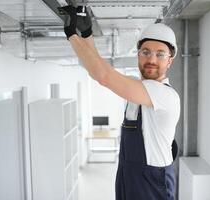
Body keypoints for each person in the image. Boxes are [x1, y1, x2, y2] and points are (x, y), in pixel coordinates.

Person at [60, 5, 180, 200]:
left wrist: (71, 34)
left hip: (152, 184)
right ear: (138, 55)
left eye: (160, 54)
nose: (152, 59)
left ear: (169, 61)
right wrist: (86, 33)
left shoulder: (164, 95)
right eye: (146, 52)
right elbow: (97, 69)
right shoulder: (137, 89)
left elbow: (104, 76)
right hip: (128, 175)